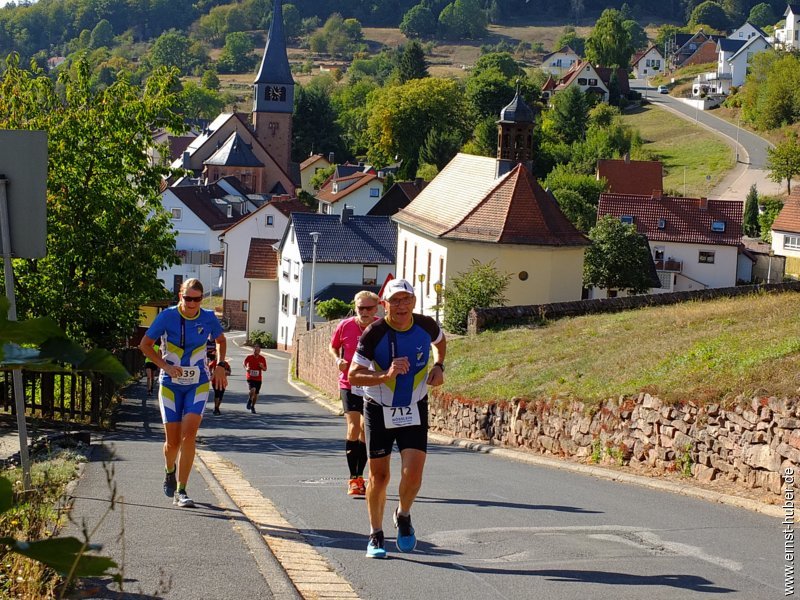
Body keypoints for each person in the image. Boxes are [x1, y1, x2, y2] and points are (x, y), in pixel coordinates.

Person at [349, 279, 446, 559]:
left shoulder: (426, 325)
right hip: (379, 407)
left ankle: (403, 515)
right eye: (395, 301)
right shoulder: (374, 333)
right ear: (385, 304)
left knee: (413, 475)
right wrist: (385, 375)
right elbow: (354, 375)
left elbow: (440, 342)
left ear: (414, 302)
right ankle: (375, 535)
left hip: (415, 406)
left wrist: (439, 366)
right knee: (379, 477)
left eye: (406, 300)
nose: (401, 306)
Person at [139, 279, 227, 508]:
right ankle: (169, 470)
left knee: (189, 437)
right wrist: (165, 366)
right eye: (188, 298)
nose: (192, 303)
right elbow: (145, 345)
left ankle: (182, 490)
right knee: (173, 443)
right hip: (170, 383)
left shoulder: (208, 317)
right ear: (180, 295)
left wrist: (220, 364)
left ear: (201, 300)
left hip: (197, 383)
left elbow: (221, 340)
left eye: (197, 299)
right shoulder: (167, 317)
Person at [328, 290, 380, 497]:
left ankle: (360, 475)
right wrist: (337, 360)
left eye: (369, 308)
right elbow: (333, 347)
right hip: (349, 383)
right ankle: (354, 478)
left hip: (372, 384)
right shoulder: (345, 325)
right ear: (355, 307)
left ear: (376, 309)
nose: (364, 312)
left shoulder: (381, 327)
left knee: (365, 432)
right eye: (361, 308)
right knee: (353, 427)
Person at [207, 347, 231, 416]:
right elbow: (208, 369)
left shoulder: (226, 364)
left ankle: (217, 407)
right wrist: (211, 374)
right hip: (215, 381)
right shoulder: (213, 363)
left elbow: (229, 372)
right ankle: (216, 408)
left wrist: (225, 372)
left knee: (221, 395)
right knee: (217, 394)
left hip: (223, 381)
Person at [243, 344, 267, 414]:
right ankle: (250, 399)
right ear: (253, 350)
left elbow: (265, 369)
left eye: (257, 350)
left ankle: (253, 406)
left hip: (258, 379)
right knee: (253, 389)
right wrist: (246, 368)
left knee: (256, 395)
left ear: (260, 351)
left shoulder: (262, 359)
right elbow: (244, 363)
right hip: (250, 377)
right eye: (255, 350)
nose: (256, 351)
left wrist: (262, 367)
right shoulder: (249, 357)